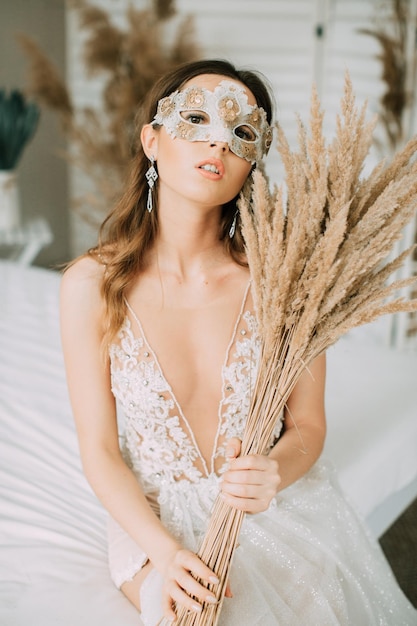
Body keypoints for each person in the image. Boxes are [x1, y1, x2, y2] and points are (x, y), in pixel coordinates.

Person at [60, 59, 416, 626]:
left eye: (241, 132)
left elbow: (308, 426)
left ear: (253, 160)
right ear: (152, 141)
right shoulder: (91, 284)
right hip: (156, 522)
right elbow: (100, 451)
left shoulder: (287, 278)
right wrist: (166, 553)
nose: (218, 142)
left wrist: (275, 470)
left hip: (272, 508)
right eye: (196, 118)